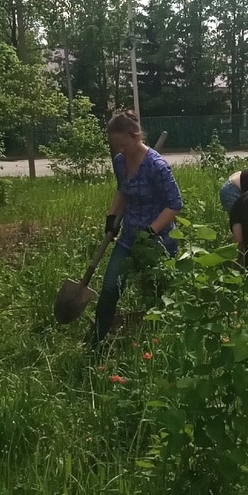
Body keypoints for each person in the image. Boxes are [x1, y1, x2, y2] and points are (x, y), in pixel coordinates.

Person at [92, 110, 182, 344]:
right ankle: (97, 339)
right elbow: (123, 189)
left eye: (123, 144)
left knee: (153, 294)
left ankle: (156, 342)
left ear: (136, 136)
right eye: (116, 146)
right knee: (111, 286)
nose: (120, 150)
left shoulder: (157, 166)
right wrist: (111, 217)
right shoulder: (120, 162)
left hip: (158, 242)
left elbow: (174, 204)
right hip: (128, 236)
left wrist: (151, 231)